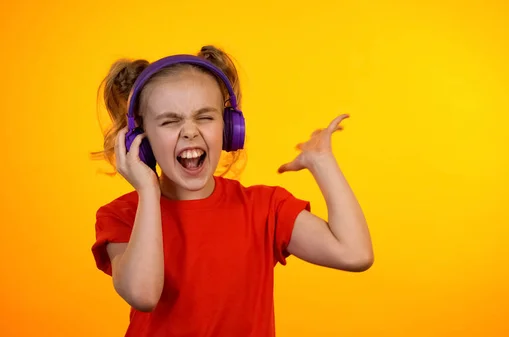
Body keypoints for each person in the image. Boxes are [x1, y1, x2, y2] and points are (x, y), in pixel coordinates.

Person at [90, 45, 373, 337]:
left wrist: (322, 163)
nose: (189, 131)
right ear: (141, 139)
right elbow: (143, 295)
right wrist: (148, 190)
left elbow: (354, 254)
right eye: (170, 121)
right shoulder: (122, 215)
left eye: (204, 117)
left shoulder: (265, 208)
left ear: (228, 129)